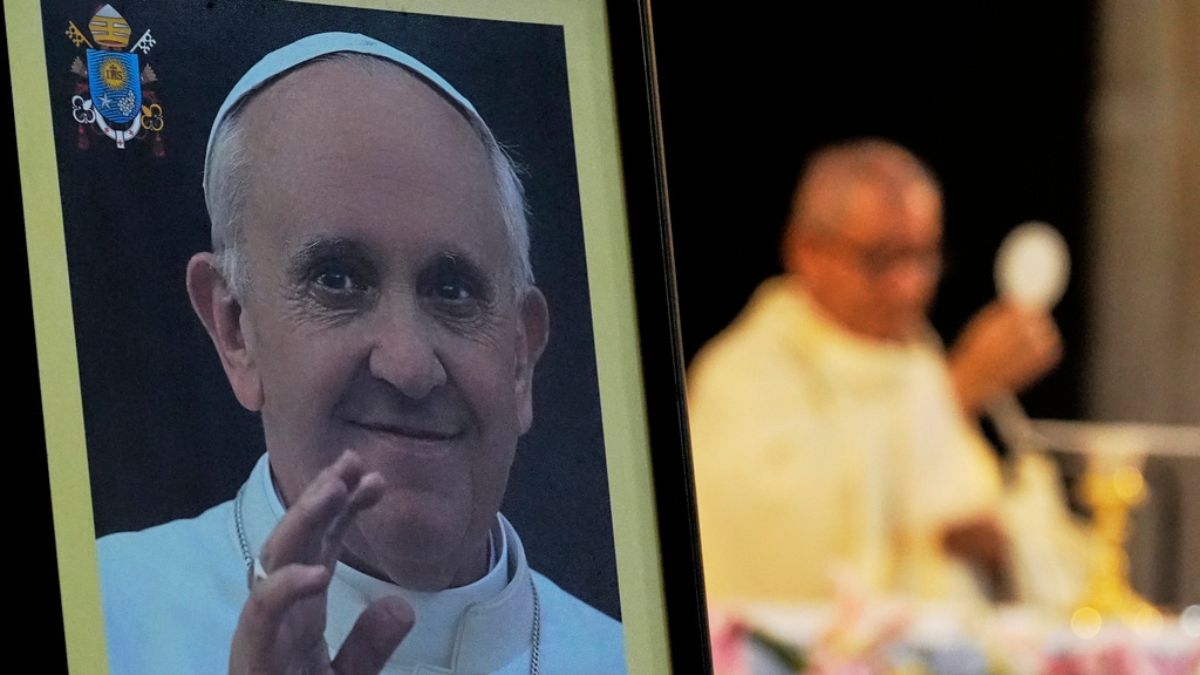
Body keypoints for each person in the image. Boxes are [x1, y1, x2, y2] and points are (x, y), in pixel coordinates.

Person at [97, 32, 626, 674]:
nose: (408, 367)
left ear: (520, 358)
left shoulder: (632, 656)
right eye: (338, 280)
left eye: (453, 290)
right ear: (236, 328)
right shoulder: (105, 615)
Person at [688, 138, 1091, 608]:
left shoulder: (919, 363)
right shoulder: (745, 374)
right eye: (881, 258)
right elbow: (777, 539)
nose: (909, 285)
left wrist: (1004, 548)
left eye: (923, 257)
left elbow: (1022, 529)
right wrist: (955, 393)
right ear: (805, 250)